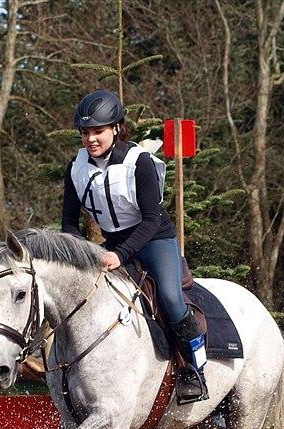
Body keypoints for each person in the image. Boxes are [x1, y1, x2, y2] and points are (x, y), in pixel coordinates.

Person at [61, 89, 208, 404]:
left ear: (115, 128)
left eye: (98, 131)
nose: (90, 139)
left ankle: (194, 371)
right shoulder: (76, 167)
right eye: (85, 133)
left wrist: (120, 254)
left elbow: (151, 220)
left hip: (154, 240)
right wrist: (78, 255)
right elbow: (69, 223)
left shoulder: (138, 162)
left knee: (170, 298)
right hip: (111, 244)